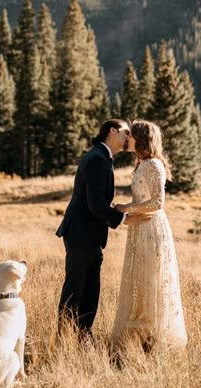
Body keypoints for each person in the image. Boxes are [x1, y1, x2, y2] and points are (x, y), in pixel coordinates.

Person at [56, 119, 151, 338]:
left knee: (90, 289)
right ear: (112, 131)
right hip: (81, 233)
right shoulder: (98, 159)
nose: (129, 136)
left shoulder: (103, 157)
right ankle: (66, 340)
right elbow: (95, 203)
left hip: (89, 234)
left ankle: (82, 335)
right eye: (126, 132)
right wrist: (124, 219)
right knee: (76, 289)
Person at [111, 119, 187, 351]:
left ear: (141, 138)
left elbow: (157, 202)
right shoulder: (143, 163)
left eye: (131, 135)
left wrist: (127, 208)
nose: (128, 139)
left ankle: (155, 337)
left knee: (151, 280)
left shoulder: (154, 164)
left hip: (151, 229)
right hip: (140, 228)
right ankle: (140, 336)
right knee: (139, 280)